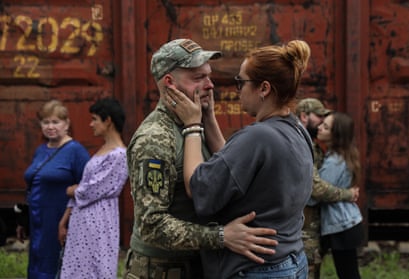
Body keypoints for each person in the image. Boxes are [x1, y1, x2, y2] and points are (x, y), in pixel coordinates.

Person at [124, 38, 278, 279]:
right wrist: (221, 237)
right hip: (161, 270)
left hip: (198, 266)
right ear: (169, 83)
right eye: (198, 78)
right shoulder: (154, 138)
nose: (210, 85)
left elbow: (224, 176)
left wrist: (208, 119)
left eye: (209, 76)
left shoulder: (195, 125)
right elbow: (151, 225)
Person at [167, 39, 313, 278]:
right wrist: (209, 118)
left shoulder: (258, 136)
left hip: (255, 269)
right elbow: (234, 166)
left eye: (241, 82)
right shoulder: (296, 129)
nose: (238, 90)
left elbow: (200, 187)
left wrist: (193, 125)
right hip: (290, 261)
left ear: (264, 88)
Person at [58, 97, 128, 278]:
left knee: (94, 267)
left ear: (108, 121)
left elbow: (93, 188)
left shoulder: (120, 155)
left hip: (99, 222)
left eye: (95, 119)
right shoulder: (104, 149)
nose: (91, 124)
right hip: (83, 220)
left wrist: (73, 190)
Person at [21, 99, 90, 279]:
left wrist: (68, 220)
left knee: (54, 267)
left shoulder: (76, 151)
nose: (50, 126)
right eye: (46, 122)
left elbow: (88, 187)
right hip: (38, 221)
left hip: (60, 221)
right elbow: (34, 184)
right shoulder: (40, 150)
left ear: (66, 124)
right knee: (37, 264)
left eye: (55, 122)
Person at [296, 98, 359, 279]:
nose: (321, 124)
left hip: (313, 227)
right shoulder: (302, 144)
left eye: (326, 124)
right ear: (304, 116)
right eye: (320, 118)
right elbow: (315, 191)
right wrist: (347, 194)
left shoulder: (317, 148)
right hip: (305, 229)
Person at [316, 111, 364, 279]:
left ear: (336, 135)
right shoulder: (341, 155)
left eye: (325, 127)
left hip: (341, 225)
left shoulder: (334, 162)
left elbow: (318, 193)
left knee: (348, 274)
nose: (319, 128)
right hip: (345, 222)